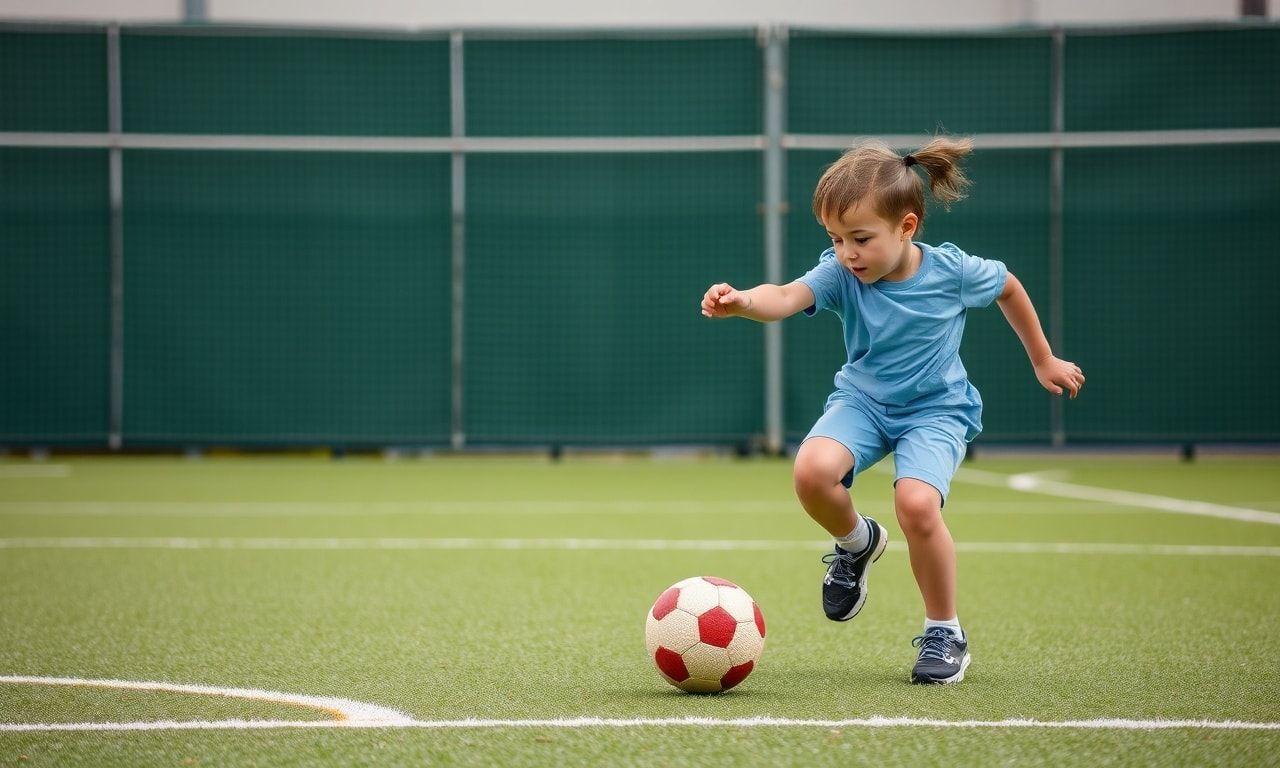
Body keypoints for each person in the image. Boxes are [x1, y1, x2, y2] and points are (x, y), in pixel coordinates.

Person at [699, 136, 1084, 684]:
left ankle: (944, 631)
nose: (846, 253)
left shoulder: (952, 271)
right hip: (862, 401)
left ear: (906, 227)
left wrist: (1043, 358)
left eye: (860, 238)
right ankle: (858, 543)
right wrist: (742, 302)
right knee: (811, 473)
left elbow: (1009, 287)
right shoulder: (839, 273)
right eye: (835, 239)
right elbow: (785, 296)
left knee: (918, 505)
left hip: (936, 410)